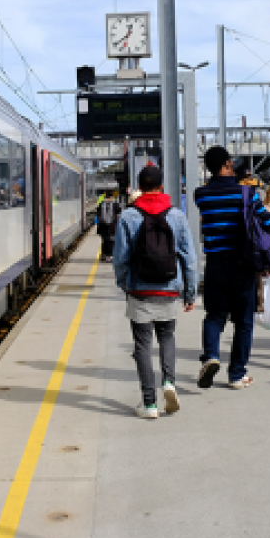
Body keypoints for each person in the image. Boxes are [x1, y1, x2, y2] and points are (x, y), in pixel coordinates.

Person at [113, 166, 197, 418]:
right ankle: (169, 382)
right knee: (167, 336)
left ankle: (149, 403)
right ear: (162, 187)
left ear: (139, 188)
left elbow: (120, 257)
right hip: (169, 287)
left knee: (142, 345)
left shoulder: (128, 216)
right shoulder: (177, 216)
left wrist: (123, 283)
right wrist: (190, 293)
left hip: (139, 288)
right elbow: (189, 259)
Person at [194, 146, 270, 390]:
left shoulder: (201, 194)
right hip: (243, 263)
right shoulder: (247, 193)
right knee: (243, 321)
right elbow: (267, 222)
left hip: (216, 264)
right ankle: (237, 374)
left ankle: (211, 356)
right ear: (228, 165)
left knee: (215, 316)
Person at [97, 193, 122, 262]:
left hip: (103, 226)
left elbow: (98, 215)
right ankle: (109, 256)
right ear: (111, 197)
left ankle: (103, 255)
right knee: (111, 241)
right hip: (112, 226)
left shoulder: (101, 204)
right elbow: (118, 215)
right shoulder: (115, 204)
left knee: (104, 240)